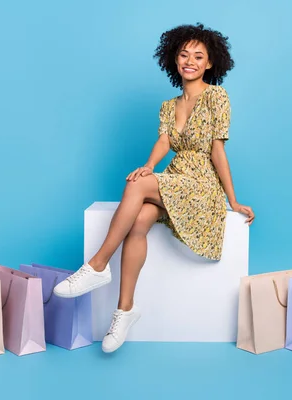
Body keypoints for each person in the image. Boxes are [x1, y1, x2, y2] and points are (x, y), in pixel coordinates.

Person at [53, 22, 255, 353]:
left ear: (210, 63)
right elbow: (164, 142)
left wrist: (232, 200)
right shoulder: (167, 106)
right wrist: (148, 166)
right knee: (141, 217)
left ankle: (97, 265)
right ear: (174, 60)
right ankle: (125, 310)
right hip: (177, 178)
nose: (190, 61)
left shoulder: (217, 96)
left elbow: (218, 150)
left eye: (198, 56)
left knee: (140, 184)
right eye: (183, 54)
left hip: (202, 185)